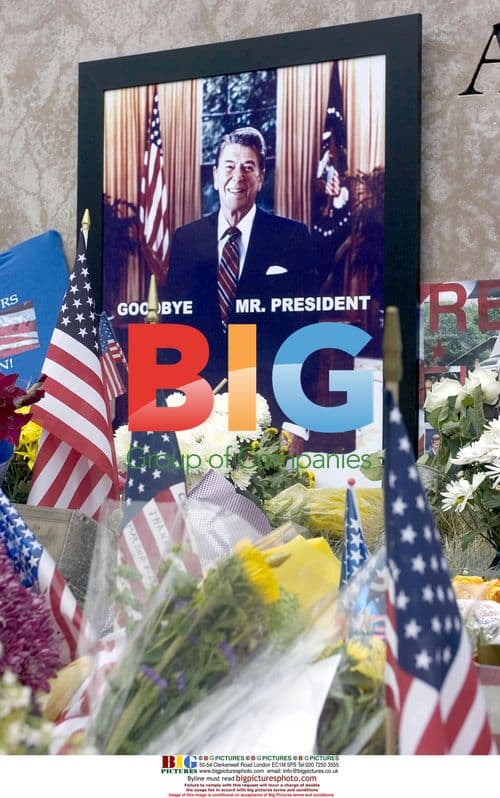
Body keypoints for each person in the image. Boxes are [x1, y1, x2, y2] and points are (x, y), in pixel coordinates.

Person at [165, 126, 318, 445]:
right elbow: (173, 331)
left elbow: (305, 334)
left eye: (249, 167)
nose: (239, 176)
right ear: (216, 175)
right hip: (199, 411)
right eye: (230, 166)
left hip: (268, 409)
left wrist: (297, 422)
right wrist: (169, 409)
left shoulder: (292, 237)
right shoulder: (186, 239)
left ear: (261, 177)